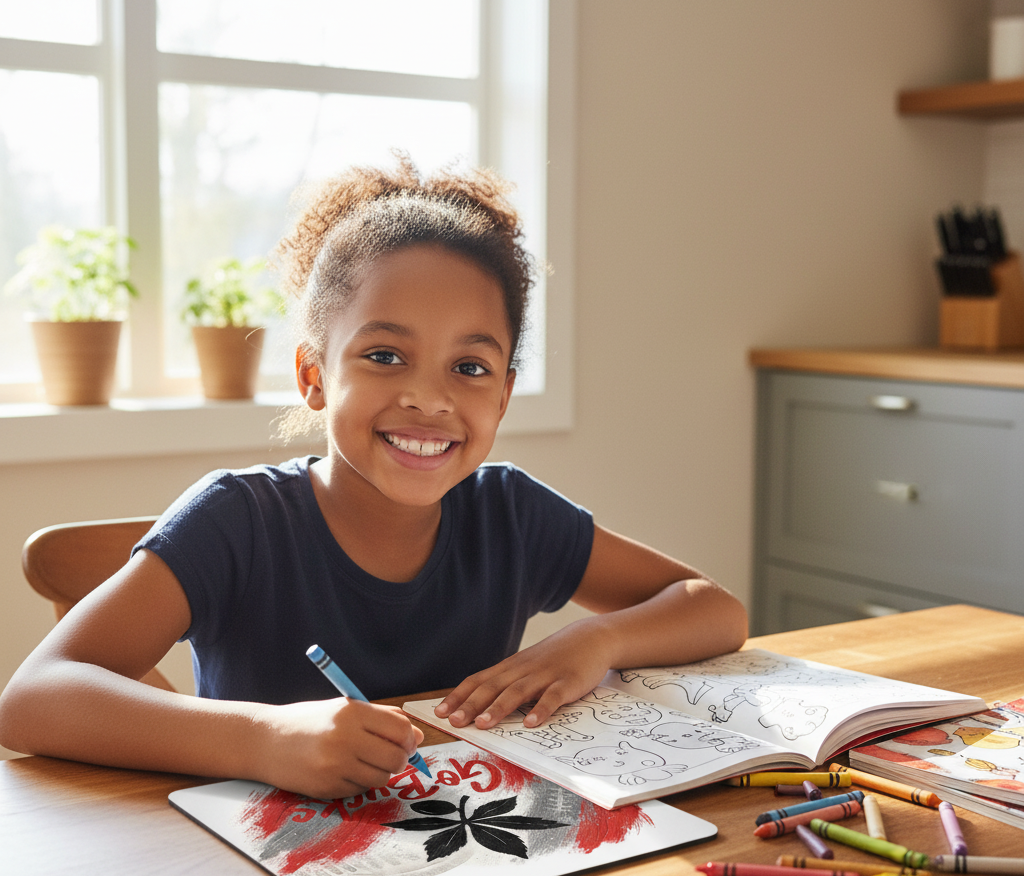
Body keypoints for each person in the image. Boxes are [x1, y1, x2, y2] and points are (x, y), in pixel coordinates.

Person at [0, 158, 746, 800]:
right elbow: (32, 699)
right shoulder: (238, 521)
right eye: (385, 356)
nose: (429, 398)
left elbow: (715, 611)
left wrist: (598, 641)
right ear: (314, 375)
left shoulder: (510, 515)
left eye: (470, 367)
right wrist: (262, 738)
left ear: (505, 395)